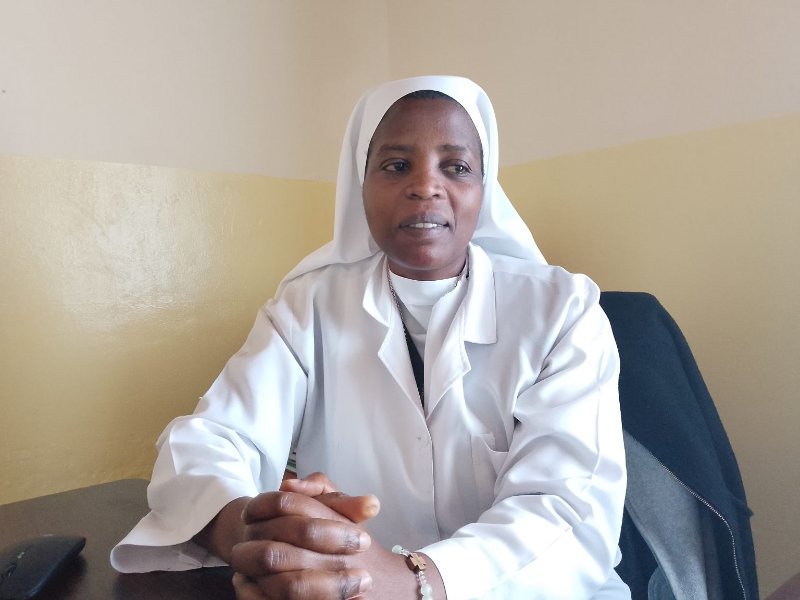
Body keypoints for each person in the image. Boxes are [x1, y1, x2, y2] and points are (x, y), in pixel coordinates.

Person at [111, 75, 630, 599]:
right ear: (360, 187)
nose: (425, 186)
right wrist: (255, 530)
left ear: (484, 188)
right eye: (397, 165)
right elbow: (209, 440)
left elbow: (569, 512)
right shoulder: (309, 305)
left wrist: (414, 581)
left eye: (456, 167)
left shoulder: (562, 310)